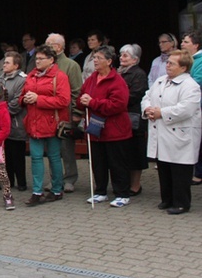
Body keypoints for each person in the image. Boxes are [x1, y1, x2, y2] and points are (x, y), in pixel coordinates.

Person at [142, 49, 202, 214]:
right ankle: (167, 199)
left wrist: (162, 113)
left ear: (183, 68)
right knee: (164, 167)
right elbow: (147, 96)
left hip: (180, 133)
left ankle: (181, 203)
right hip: (162, 132)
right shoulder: (161, 81)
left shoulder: (191, 86)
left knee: (179, 170)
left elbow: (186, 109)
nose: (167, 65)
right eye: (167, 62)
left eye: (171, 63)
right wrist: (147, 109)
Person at [78, 45, 133, 208]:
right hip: (95, 129)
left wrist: (93, 102)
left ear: (109, 61)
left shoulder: (117, 81)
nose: (95, 60)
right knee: (98, 163)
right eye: (94, 57)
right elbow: (81, 95)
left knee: (117, 163)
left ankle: (122, 193)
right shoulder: (91, 79)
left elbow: (118, 104)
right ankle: (101, 191)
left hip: (114, 129)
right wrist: (81, 102)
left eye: (99, 58)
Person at [20, 45, 70, 206]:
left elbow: (64, 101)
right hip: (33, 123)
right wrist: (24, 100)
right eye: (37, 58)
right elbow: (22, 95)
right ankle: (37, 191)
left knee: (54, 157)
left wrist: (38, 99)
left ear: (51, 60)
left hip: (52, 124)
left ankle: (56, 189)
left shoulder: (60, 77)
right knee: (35, 158)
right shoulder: (31, 75)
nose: (38, 61)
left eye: (41, 58)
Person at [45, 33, 83, 193]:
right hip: (48, 112)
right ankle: (55, 178)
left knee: (66, 148)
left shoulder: (70, 65)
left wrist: (76, 112)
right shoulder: (45, 64)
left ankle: (69, 179)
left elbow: (77, 91)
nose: (45, 47)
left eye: (49, 44)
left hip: (65, 112)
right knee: (51, 148)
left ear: (58, 47)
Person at [118, 44, 149, 195]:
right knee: (123, 152)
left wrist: (116, 100)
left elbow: (136, 94)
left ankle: (135, 185)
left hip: (134, 117)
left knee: (135, 152)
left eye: (125, 56)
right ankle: (124, 182)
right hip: (119, 116)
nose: (121, 58)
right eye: (121, 55)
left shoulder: (139, 74)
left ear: (135, 59)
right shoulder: (118, 72)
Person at [0, 51, 28, 191]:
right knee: (7, 155)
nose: (4, 64)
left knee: (18, 155)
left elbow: (18, 101)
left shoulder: (22, 80)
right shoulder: (1, 78)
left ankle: (21, 182)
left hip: (16, 122)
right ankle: (8, 181)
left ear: (16, 65)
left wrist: (3, 111)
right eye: (4, 62)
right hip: (3, 123)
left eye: (7, 62)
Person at [179, 30, 202, 185]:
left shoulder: (199, 61)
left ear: (195, 45)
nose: (182, 44)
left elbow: (197, 81)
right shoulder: (191, 60)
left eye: (186, 42)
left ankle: (199, 173)